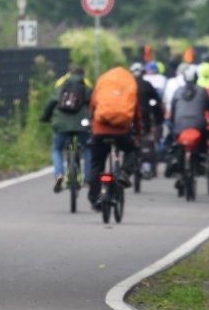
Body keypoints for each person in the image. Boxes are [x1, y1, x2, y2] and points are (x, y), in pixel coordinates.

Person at [87, 64, 143, 209]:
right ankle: (124, 172)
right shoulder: (129, 85)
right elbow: (136, 113)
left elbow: (93, 106)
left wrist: (92, 126)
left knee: (97, 164)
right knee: (132, 150)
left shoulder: (102, 83)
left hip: (100, 131)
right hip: (121, 131)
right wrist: (138, 132)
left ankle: (94, 197)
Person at [40, 64, 93, 193]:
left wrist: (45, 117)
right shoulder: (86, 86)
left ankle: (59, 174)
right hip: (82, 124)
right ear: (82, 74)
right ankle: (87, 178)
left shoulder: (61, 85)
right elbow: (93, 103)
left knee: (57, 148)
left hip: (61, 124)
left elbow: (51, 102)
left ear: (68, 73)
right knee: (88, 147)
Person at [167, 64, 209, 187]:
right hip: (199, 125)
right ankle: (201, 160)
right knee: (203, 141)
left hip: (179, 125)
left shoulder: (177, 91)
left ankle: (178, 166)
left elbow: (173, 111)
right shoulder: (203, 91)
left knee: (177, 145)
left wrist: (173, 124)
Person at [131, 61, 164, 177]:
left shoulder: (127, 85)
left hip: (129, 120)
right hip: (144, 120)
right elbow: (157, 103)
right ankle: (147, 166)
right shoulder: (147, 85)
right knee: (148, 142)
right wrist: (159, 119)